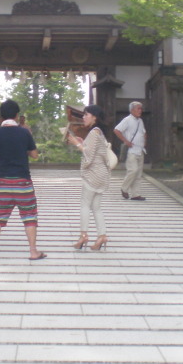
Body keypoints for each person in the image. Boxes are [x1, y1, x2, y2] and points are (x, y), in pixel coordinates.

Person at [0, 99, 46, 261]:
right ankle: (33, 252)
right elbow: (35, 155)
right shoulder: (24, 133)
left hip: (3, 183)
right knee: (29, 216)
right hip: (23, 183)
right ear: (17, 115)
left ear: (2, 116)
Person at [66, 104, 111, 251]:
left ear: (94, 117)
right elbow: (93, 150)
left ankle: (83, 235)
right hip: (102, 174)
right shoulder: (99, 132)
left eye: (86, 115)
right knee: (96, 207)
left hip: (93, 174)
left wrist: (76, 143)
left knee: (85, 205)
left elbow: (88, 156)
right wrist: (82, 143)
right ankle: (102, 235)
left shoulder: (93, 132)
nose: (84, 117)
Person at [113, 101, 147, 201]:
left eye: (141, 109)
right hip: (131, 150)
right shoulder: (127, 120)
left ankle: (135, 194)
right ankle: (124, 188)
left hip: (140, 150)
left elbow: (144, 132)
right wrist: (126, 141)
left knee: (138, 173)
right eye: (138, 108)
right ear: (132, 110)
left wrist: (145, 140)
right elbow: (117, 130)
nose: (140, 110)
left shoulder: (140, 121)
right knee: (133, 170)